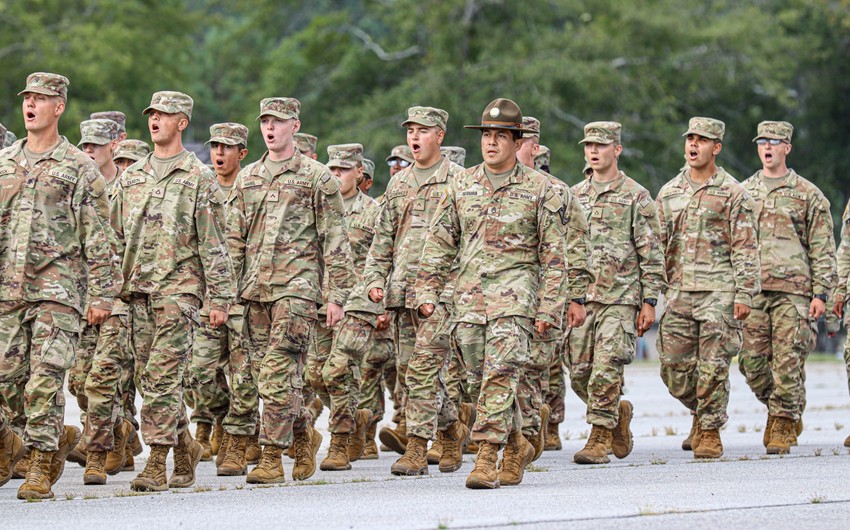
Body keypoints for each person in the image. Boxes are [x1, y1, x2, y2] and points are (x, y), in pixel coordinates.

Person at [414, 98, 568, 489]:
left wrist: (550, 306)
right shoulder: (461, 185)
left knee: (500, 374)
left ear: (518, 142)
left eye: (501, 136)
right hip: (467, 299)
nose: (492, 143)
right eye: (487, 135)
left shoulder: (541, 189)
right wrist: (427, 289)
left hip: (515, 299)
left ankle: (485, 457)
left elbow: (554, 256)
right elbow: (440, 241)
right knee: (475, 381)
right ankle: (516, 442)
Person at [0, 72, 122, 499]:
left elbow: (99, 236)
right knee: (5, 383)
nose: (30, 105)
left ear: (59, 107)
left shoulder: (80, 168)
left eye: (41, 98)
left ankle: (38, 464)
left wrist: (104, 294)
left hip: (58, 292)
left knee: (45, 381)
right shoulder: (5, 163)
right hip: (8, 293)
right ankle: (10, 441)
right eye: (27, 98)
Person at [227, 97, 355, 484]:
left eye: (278, 122)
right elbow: (233, 238)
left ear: (295, 126)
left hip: (297, 289)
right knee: (264, 375)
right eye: (265, 121)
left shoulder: (317, 177)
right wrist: (224, 293)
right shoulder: (248, 177)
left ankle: (271, 457)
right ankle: (302, 433)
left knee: (277, 372)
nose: (270, 128)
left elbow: (335, 238)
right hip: (254, 290)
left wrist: (336, 296)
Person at [112, 91, 236, 491]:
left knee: (163, 380)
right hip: (138, 293)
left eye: (164, 115)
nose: (155, 121)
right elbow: (113, 238)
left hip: (179, 293)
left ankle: (156, 461)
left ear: (181, 122)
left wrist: (219, 299)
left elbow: (213, 242)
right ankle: (185, 447)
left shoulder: (197, 177)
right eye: (151, 114)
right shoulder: (131, 177)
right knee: (151, 379)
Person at [363, 107, 469, 476]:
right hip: (403, 292)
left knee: (424, 369)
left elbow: (471, 241)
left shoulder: (461, 180)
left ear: (440, 135)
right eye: (411, 130)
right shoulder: (399, 182)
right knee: (411, 373)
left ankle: (418, 449)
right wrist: (375, 280)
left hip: (444, 293)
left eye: (423, 130)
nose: (414, 137)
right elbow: (383, 239)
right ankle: (452, 429)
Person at [656, 117, 760, 459]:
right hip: (679, 292)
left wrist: (745, 293)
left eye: (702, 140)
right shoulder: (669, 193)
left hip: (720, 291)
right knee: (673, 367)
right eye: (690, 139)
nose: (693, 145)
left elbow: (746, 247)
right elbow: (657, 246)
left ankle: (711, 431)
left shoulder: (733, 193)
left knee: (713, 366)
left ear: (716, 147)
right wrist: (651, 294)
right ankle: (702, 412)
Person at [568, 121, 665, 464]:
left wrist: (650, 301)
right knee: (580, 373)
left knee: (606, 367)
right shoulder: (575, 195)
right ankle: (616, 415)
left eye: (601, 146)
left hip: (621, 299)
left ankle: (597, 438)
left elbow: (652, 254)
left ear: (617, 150)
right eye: (589, 146)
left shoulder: (636, 196)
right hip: (582, 299)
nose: (593, 151)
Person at [740, 121, 836, 454]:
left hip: (794, 292)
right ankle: (789, 403)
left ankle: (781, 422)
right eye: (762, 141)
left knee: (787, 361)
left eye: (774, 142)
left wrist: (821, 293)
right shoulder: (744, 192)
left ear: (787, 148)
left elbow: (823, 248)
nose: (767, 147)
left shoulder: (809, 194)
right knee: (750, 363)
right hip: (752, 291)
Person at [514, 116, 592, 461]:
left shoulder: (559, 192)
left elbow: (577, 247)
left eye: (522, 140)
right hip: (502, 297)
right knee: (499, 369)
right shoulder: (484, 186)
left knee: (531, 367)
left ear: (535, 146)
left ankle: (528, 433)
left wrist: (575, 298)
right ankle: (523, 431)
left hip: (547, 297)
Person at [188, 123, 251, 468]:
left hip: (244, 299)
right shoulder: (202, 187)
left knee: (245, 376)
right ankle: (222, 416)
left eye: (227, 148)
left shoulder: (251, 188)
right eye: (215, 146)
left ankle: (238, 441)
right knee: (197, 371)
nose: (219, 154)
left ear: (241, 153)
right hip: (208, 298)